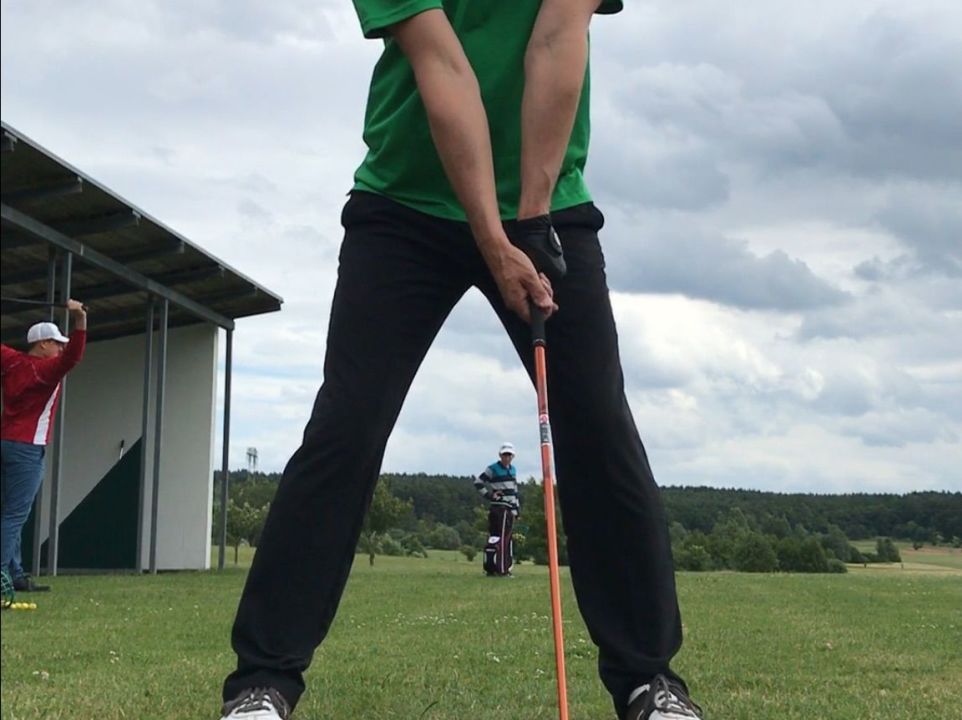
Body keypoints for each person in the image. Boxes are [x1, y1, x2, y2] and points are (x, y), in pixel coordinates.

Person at [220, 1, 703, 719]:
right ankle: (263, 682)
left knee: (598, 425)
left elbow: (557, 37)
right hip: (404, 203)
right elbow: (444, 65)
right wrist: (493, 238)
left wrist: (531, 218)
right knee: (347, 427)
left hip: (548, 201)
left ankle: (648, 682)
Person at [1, 301, 88, 594]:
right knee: (14, 515)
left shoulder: (11, 361)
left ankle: (14, 575)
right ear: (43, 344)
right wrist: (80, 318)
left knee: (9, 512)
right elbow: (74, 356)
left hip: (6, 441)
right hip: (28, 448)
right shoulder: (46, 370)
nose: (61, 349)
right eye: (57, 343)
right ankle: (1, 575)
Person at [475, 441, 520, 577]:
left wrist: (516, 510)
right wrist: (490, 495)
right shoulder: (493, 468)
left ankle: (496, 567)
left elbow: (514, 491)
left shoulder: (513, 469)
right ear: (500, 455)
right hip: (499, 508)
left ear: (512, 456)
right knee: (499, 538)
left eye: (509, 455)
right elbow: (478, 482)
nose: (507, 457)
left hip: (509, 509)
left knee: (504, 538)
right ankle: (501, 569)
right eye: (505, 454)